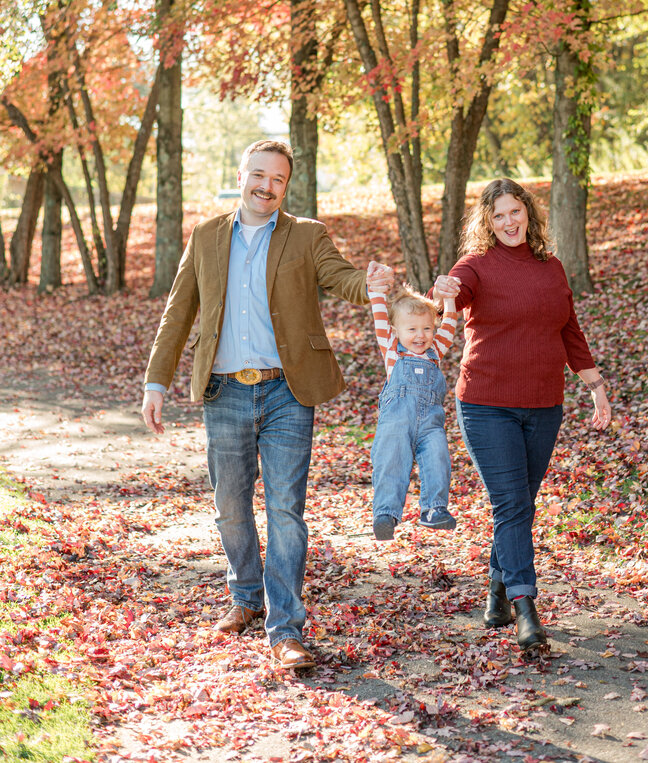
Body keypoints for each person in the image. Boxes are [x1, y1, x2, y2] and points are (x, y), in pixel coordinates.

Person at [141, 139, 393, 672]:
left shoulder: (306, 235)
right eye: (259, 175)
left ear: (285, 186)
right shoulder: (207, 235)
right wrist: (156, 382)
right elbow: (178, 310)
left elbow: (341, 276)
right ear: (241, 175)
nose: (266, 186)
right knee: (231, 508)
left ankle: (285, 628)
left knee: (284, 510)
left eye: (277, 180)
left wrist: (369, 284)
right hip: (225, 391)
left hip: (287, 391)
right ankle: (247, 597)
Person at [432, 178, 611, 652]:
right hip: (487, 404)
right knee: (511, 505)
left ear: (528, 214)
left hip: (545, 405)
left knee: (520, 505)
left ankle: (496, 588)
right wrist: (446, 291)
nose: (509, 222)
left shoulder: (551, 268)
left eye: (515, 212)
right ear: (487, 223)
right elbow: (456, 295)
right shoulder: (473, 267)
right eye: (499, 216)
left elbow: (569, 330)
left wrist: (595, 388)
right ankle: (525, 608)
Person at [368, 282, 459, 540]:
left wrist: (450, 301)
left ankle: (433, 509)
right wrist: (377, 289)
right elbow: (378, 315)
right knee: (391, 461)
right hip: (396, 422)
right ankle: (385, 513)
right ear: (396, 330)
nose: (420, 336)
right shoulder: (391, 349)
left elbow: (450, 327)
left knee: (439, 459)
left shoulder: (434, 352)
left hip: (431, 423)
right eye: (412, 329)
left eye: (427, 328)